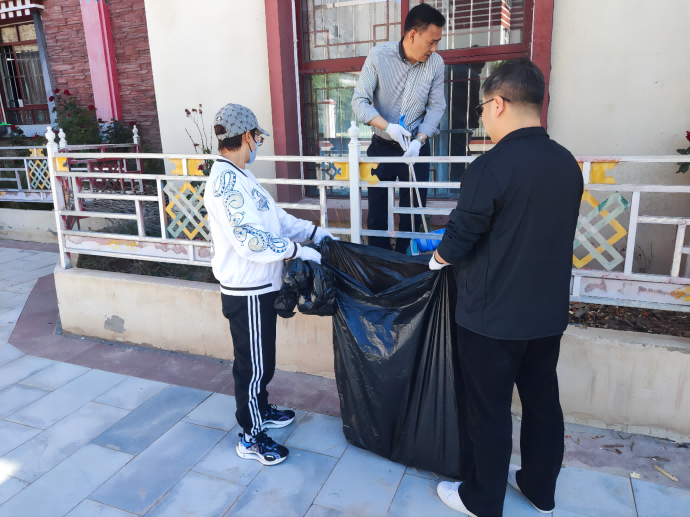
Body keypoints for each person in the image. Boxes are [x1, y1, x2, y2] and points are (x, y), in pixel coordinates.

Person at [431, 60, 584, 516]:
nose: (483, 117)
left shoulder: (491, 165)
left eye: (482, 108)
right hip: (546, 314)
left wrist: (437, 260)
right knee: (542, 402)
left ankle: (482, 499)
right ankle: (540, 488)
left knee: (489, 408)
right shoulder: (566, 163)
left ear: (497, 104)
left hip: (491, 318)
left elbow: (461, 237)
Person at [204, 103, 334, 466]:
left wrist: (313, 233)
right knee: (252, 367)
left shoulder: (242, 176)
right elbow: (250, 239)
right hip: (247, 291)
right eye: (257, 138)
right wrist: (297, 250)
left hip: (261, 286)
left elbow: (275, 219)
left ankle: (261, 409)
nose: (258, 144)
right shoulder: (226, 183)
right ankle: (251, 436)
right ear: (247, 136)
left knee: (262, 361)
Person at [352, 2, 446, 253]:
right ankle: (378, 263)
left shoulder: (436, 64)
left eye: (438, 42)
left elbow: (436, 107)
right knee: (377, 215)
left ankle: (407, 264)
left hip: (415, 149)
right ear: (412, 35)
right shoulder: (378, 55)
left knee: (413, 215)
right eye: (431, 42)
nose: (435, 48)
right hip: (381, 147)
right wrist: (388, 127)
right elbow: (359, 101)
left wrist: (420, 140)